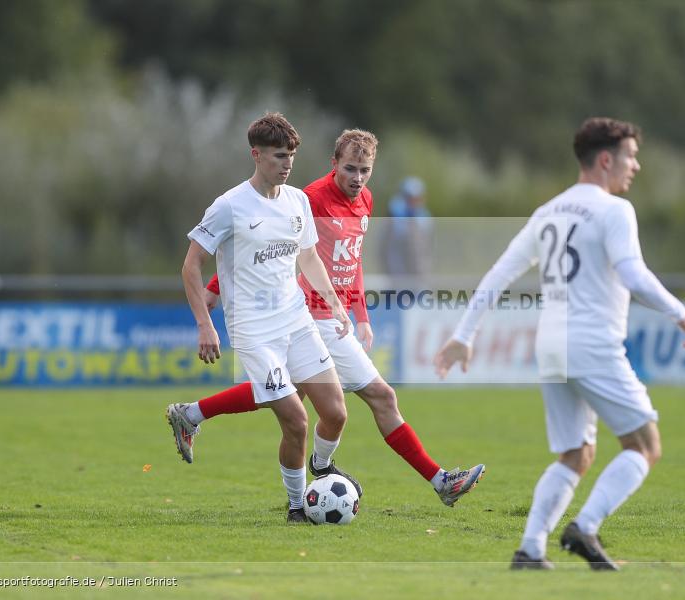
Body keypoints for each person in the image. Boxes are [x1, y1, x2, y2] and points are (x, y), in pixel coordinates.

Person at [433, 117, 685, 570]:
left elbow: (499, 275)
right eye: (631, 156)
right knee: (645, 445)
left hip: (552, 347)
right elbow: (634, 273)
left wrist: (464, 335)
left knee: (576, 454)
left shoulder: (549, 212)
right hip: (593, 345)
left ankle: (531, 549)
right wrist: (680, 313)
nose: (635, 165)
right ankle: (585, 527)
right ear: (605, 159)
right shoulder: (615, 211)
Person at [186, 129, 484, 508]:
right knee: (367, 397)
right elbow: (257, 243)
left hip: (332, 314)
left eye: (365, 170)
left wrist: (361, 314)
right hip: (307, 313)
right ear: (334, 165)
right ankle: (432, 480)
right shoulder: (309, 198)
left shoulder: (365, 200)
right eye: (350, 169)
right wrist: (214, 289)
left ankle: (193, 414)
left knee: (287, 396)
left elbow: (352, 261)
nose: (357, 178)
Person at [169, 112, 355, 524]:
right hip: (253, 331)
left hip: (296, 321)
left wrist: (334, 301)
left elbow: (308, 255)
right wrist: (205, 324)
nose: (287, 164)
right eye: (278, 156)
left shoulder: (297, 201)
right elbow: (191, 266)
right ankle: (296, 505)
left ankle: (320, 472)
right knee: (296, 418)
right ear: (256, 155)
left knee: (336, 414)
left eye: (291, 156)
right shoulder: (229, 206)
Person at [380, 176, 433, 280]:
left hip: (418, 274)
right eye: (409, 197)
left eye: (416, 197)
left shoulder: (424, 217)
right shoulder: (394, 214)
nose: (413, 201)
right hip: (396, 274)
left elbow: (427, 247)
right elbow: (384, 247)